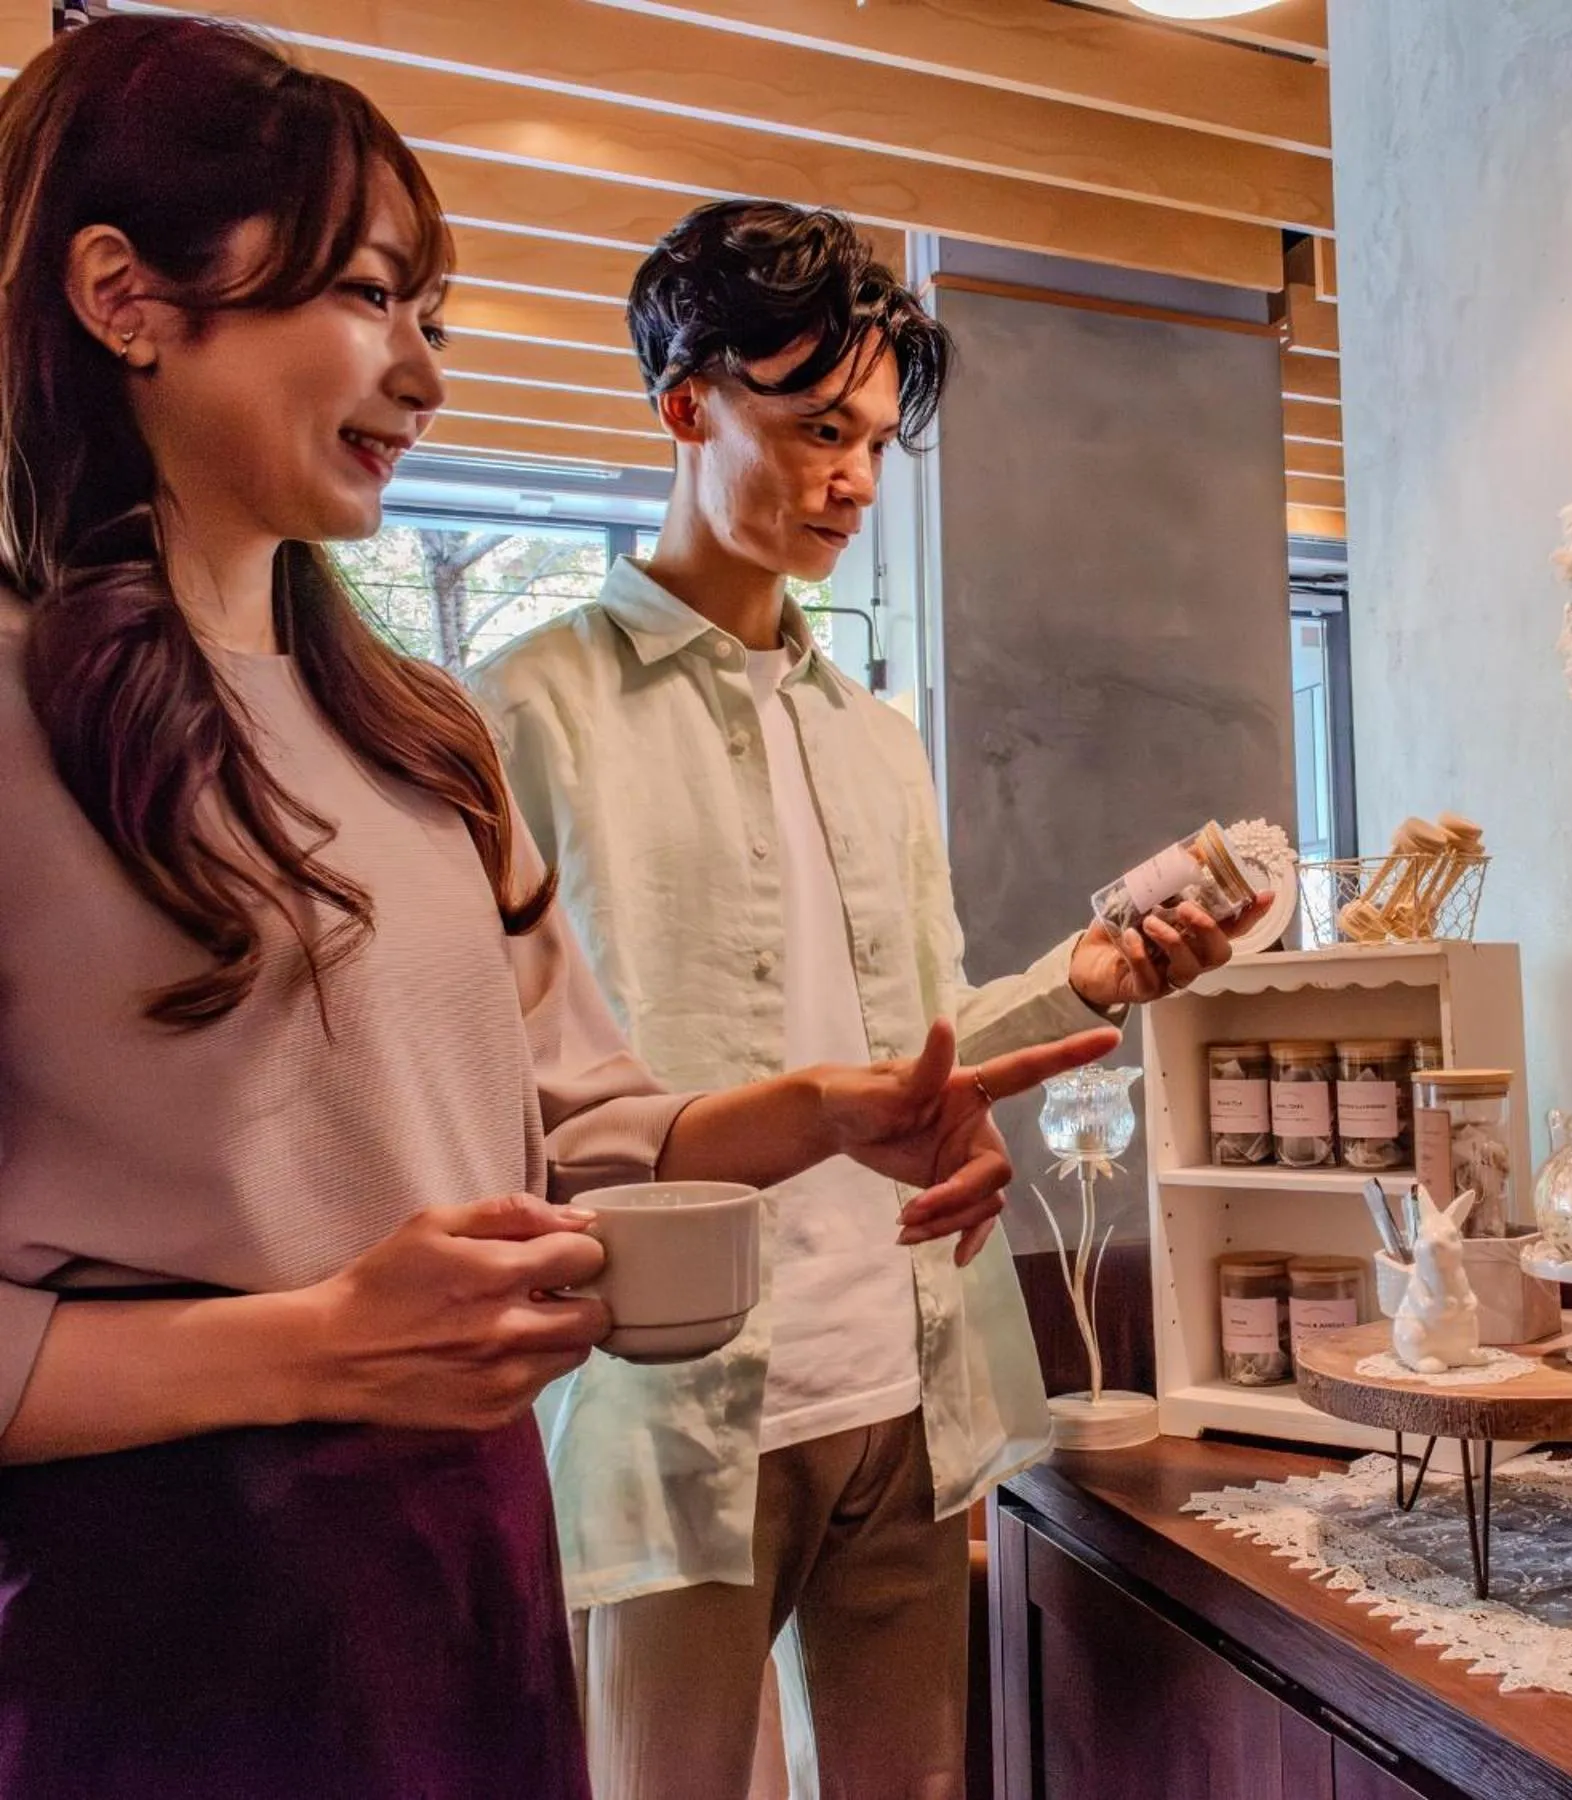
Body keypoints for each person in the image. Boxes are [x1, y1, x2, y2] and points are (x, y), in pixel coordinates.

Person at [0, 21, 1113, 1799]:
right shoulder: (43, 715)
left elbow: (590, 1121)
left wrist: (832, 1114)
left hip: (467, 1544)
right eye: (372, 297)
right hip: (171, 1602)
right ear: (126, 298)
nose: (425, 375)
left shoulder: (411, 731)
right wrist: (305, 1344)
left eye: (430, 315)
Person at [471, 200, 1262, 1800]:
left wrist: (1088, 977)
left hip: (906, 1371)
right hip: (665, 1394)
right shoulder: (521, 712)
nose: (854, 476)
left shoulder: (873, 738)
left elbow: (920, 1048)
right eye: (818, 425)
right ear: (687, 403)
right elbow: (499, 1090)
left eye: (879, 442)